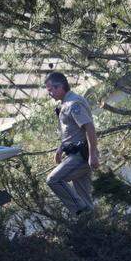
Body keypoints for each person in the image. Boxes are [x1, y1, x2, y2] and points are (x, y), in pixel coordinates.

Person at [43, 71, 99, 217]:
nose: (50, 94)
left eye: (50, 90)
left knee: (53, 180)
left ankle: (82, 212)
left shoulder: (74, 103)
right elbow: (71, 131)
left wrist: (92, 155)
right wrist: (60, 148)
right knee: (85, 199)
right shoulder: (65, 104)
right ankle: (90, 225)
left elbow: (89, 127)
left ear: (60, 86)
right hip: (73, 154)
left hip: (81, 155)